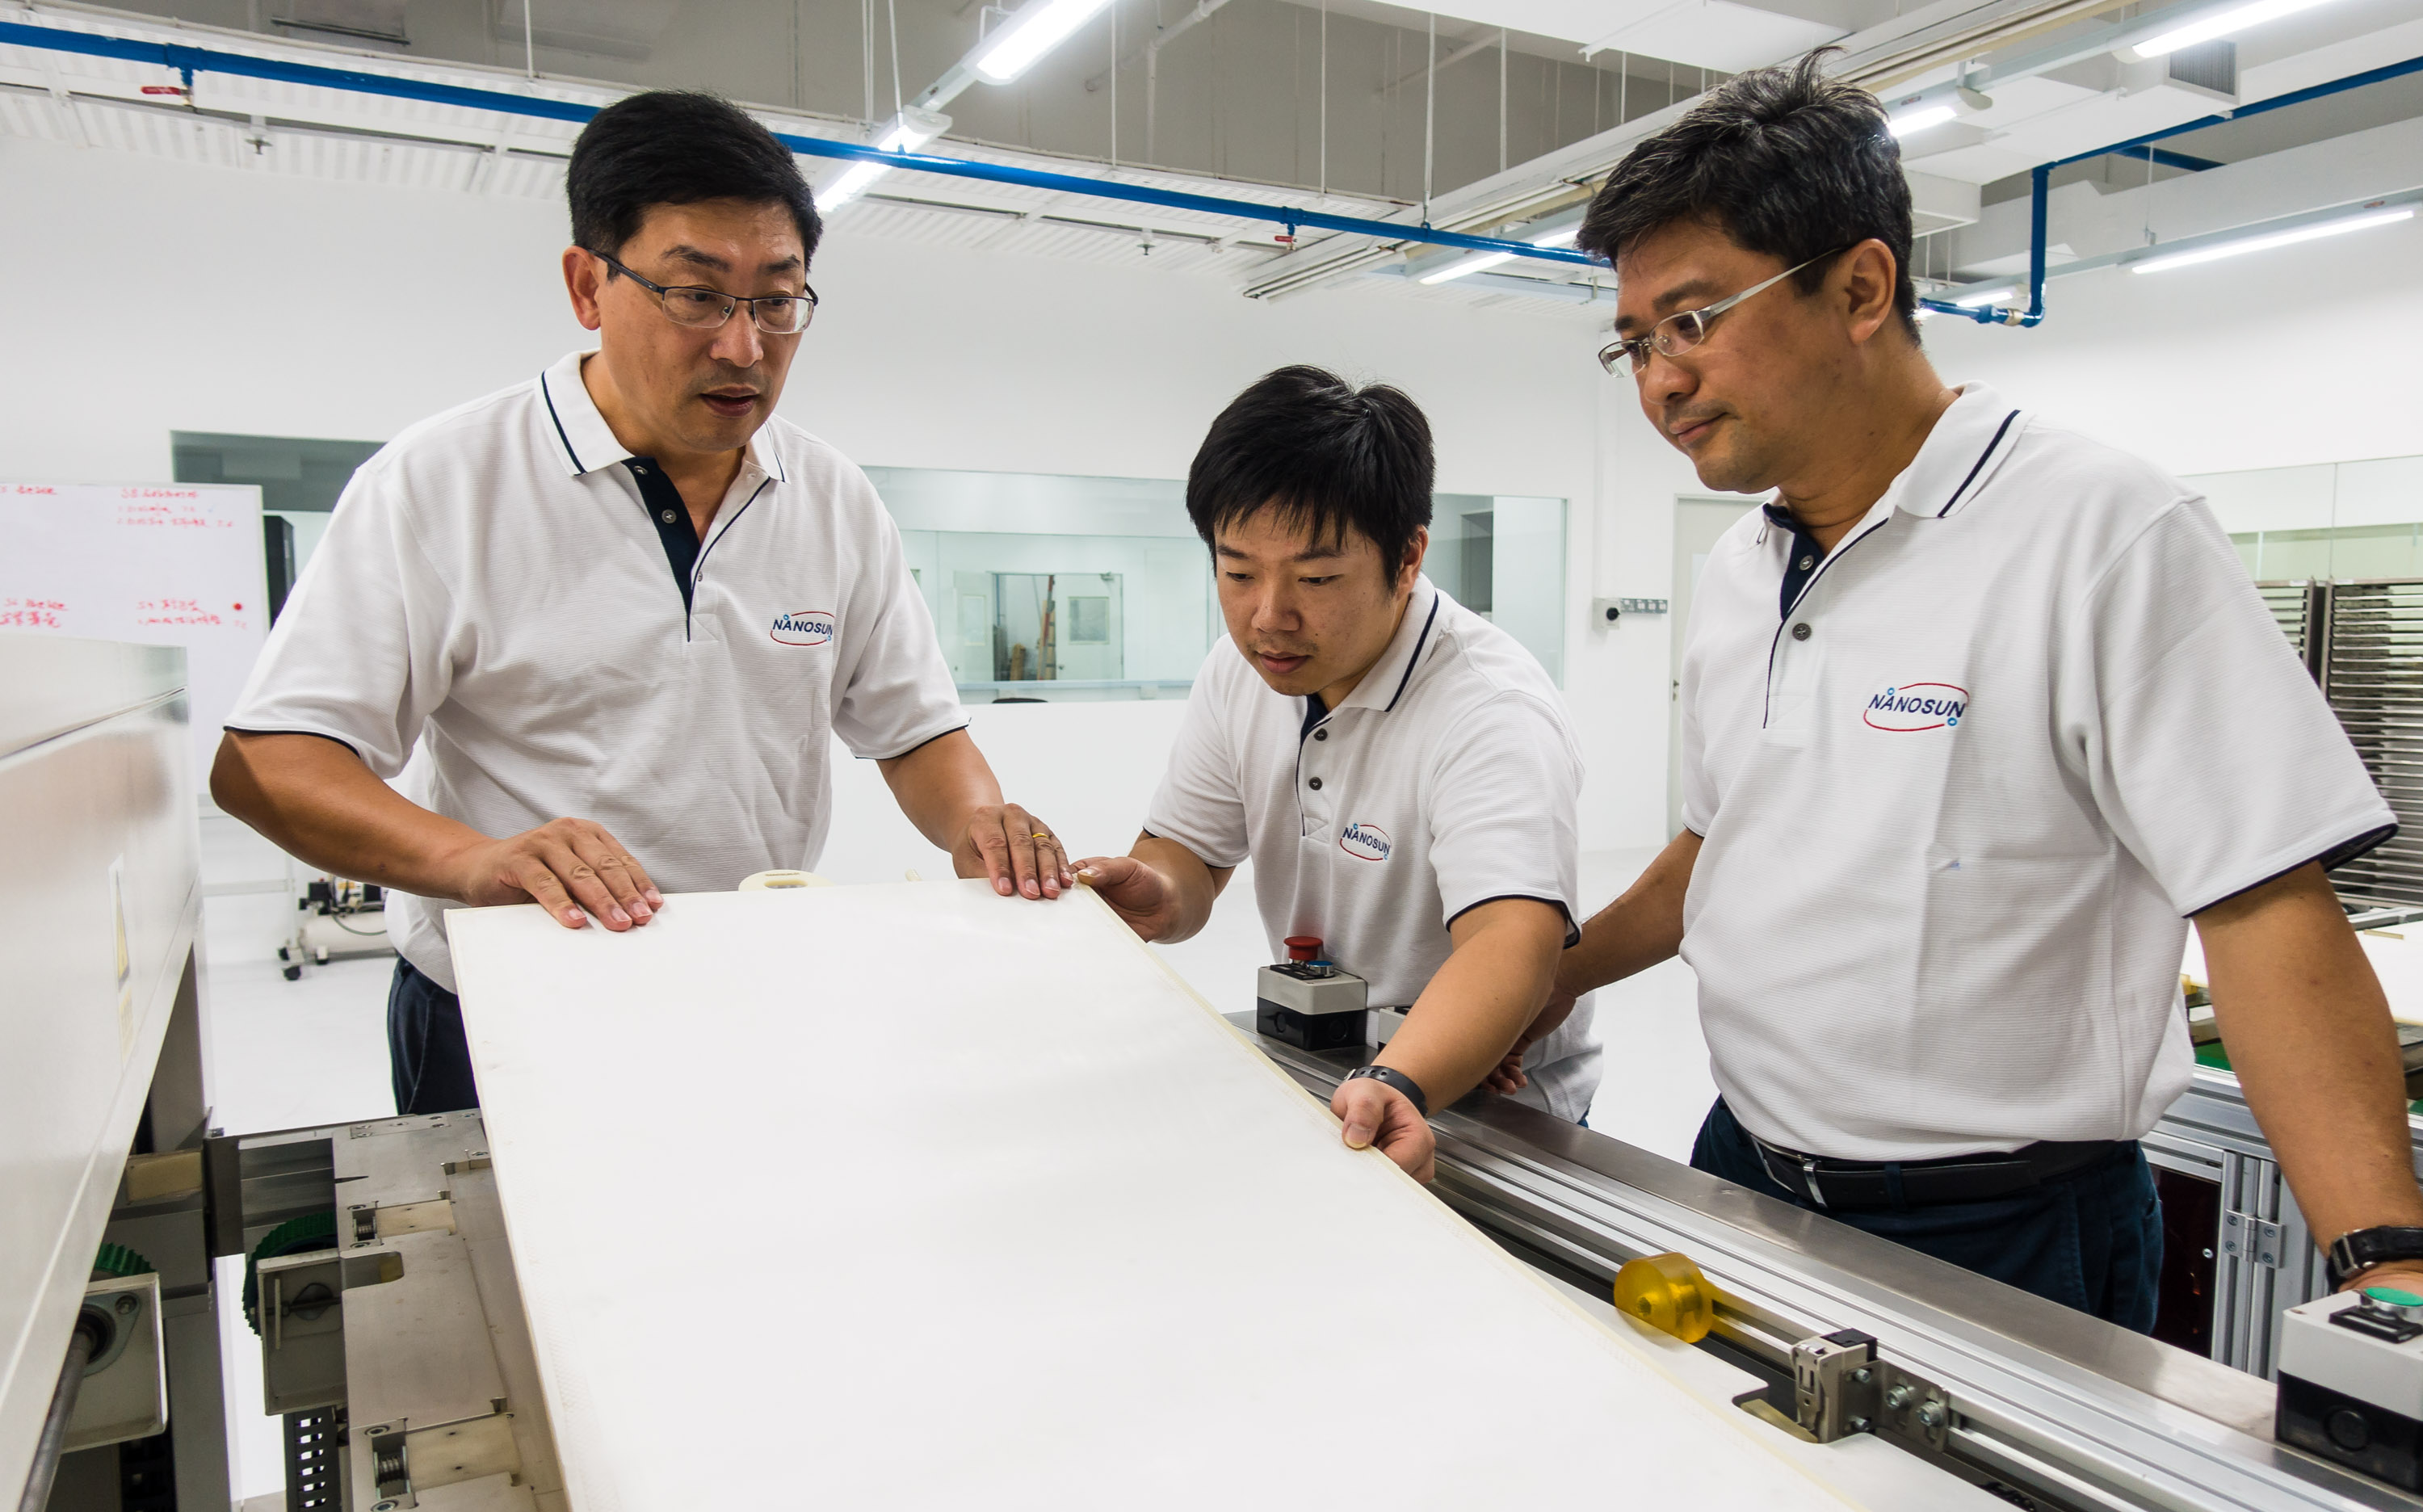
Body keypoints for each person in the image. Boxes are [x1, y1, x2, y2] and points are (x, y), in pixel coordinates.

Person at [1513, 52, 2423, 1325]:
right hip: (1745, 1172)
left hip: (2003, 1228)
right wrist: (1542, 974)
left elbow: (2267, 903)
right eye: (1636, 344)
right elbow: (1720, 847)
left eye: (1695, 320)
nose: (1662, 379)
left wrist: (2384, 1265)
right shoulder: (1740, 570)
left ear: (1862, 286)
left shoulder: (2101, 530)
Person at [216, 90, 1073, 1116]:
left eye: (778, 299)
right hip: (507, 1010)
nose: (744, 347)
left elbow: (914, 731)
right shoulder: (445, 482)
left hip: (754, 987)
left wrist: (979, 824)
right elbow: (268, 762)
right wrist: (480, 861)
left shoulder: (833, 496)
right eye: (696, 295)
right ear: (588, 284)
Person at [1075, 367, 1597, 1183]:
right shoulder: (1238, 671)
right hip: (1329, 1068)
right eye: (1237, 570)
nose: (1267, 615)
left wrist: (1397, 1079)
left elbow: (1512, 943)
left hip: (1480, 1107)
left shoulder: (1490, 708)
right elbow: (1193, 851)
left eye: (1315, 579)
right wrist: (1159, 888)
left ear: (1408, 556)